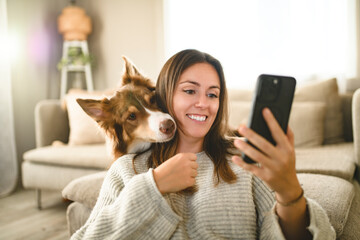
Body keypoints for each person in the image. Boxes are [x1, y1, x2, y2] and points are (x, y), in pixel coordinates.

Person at [71, 49, 335, 239]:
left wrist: (290, 193)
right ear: (164, 95)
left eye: (213, 94)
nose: (203, 103)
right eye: (189, 91)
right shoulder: (128, 170)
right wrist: (154, 186)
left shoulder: (244, 158)